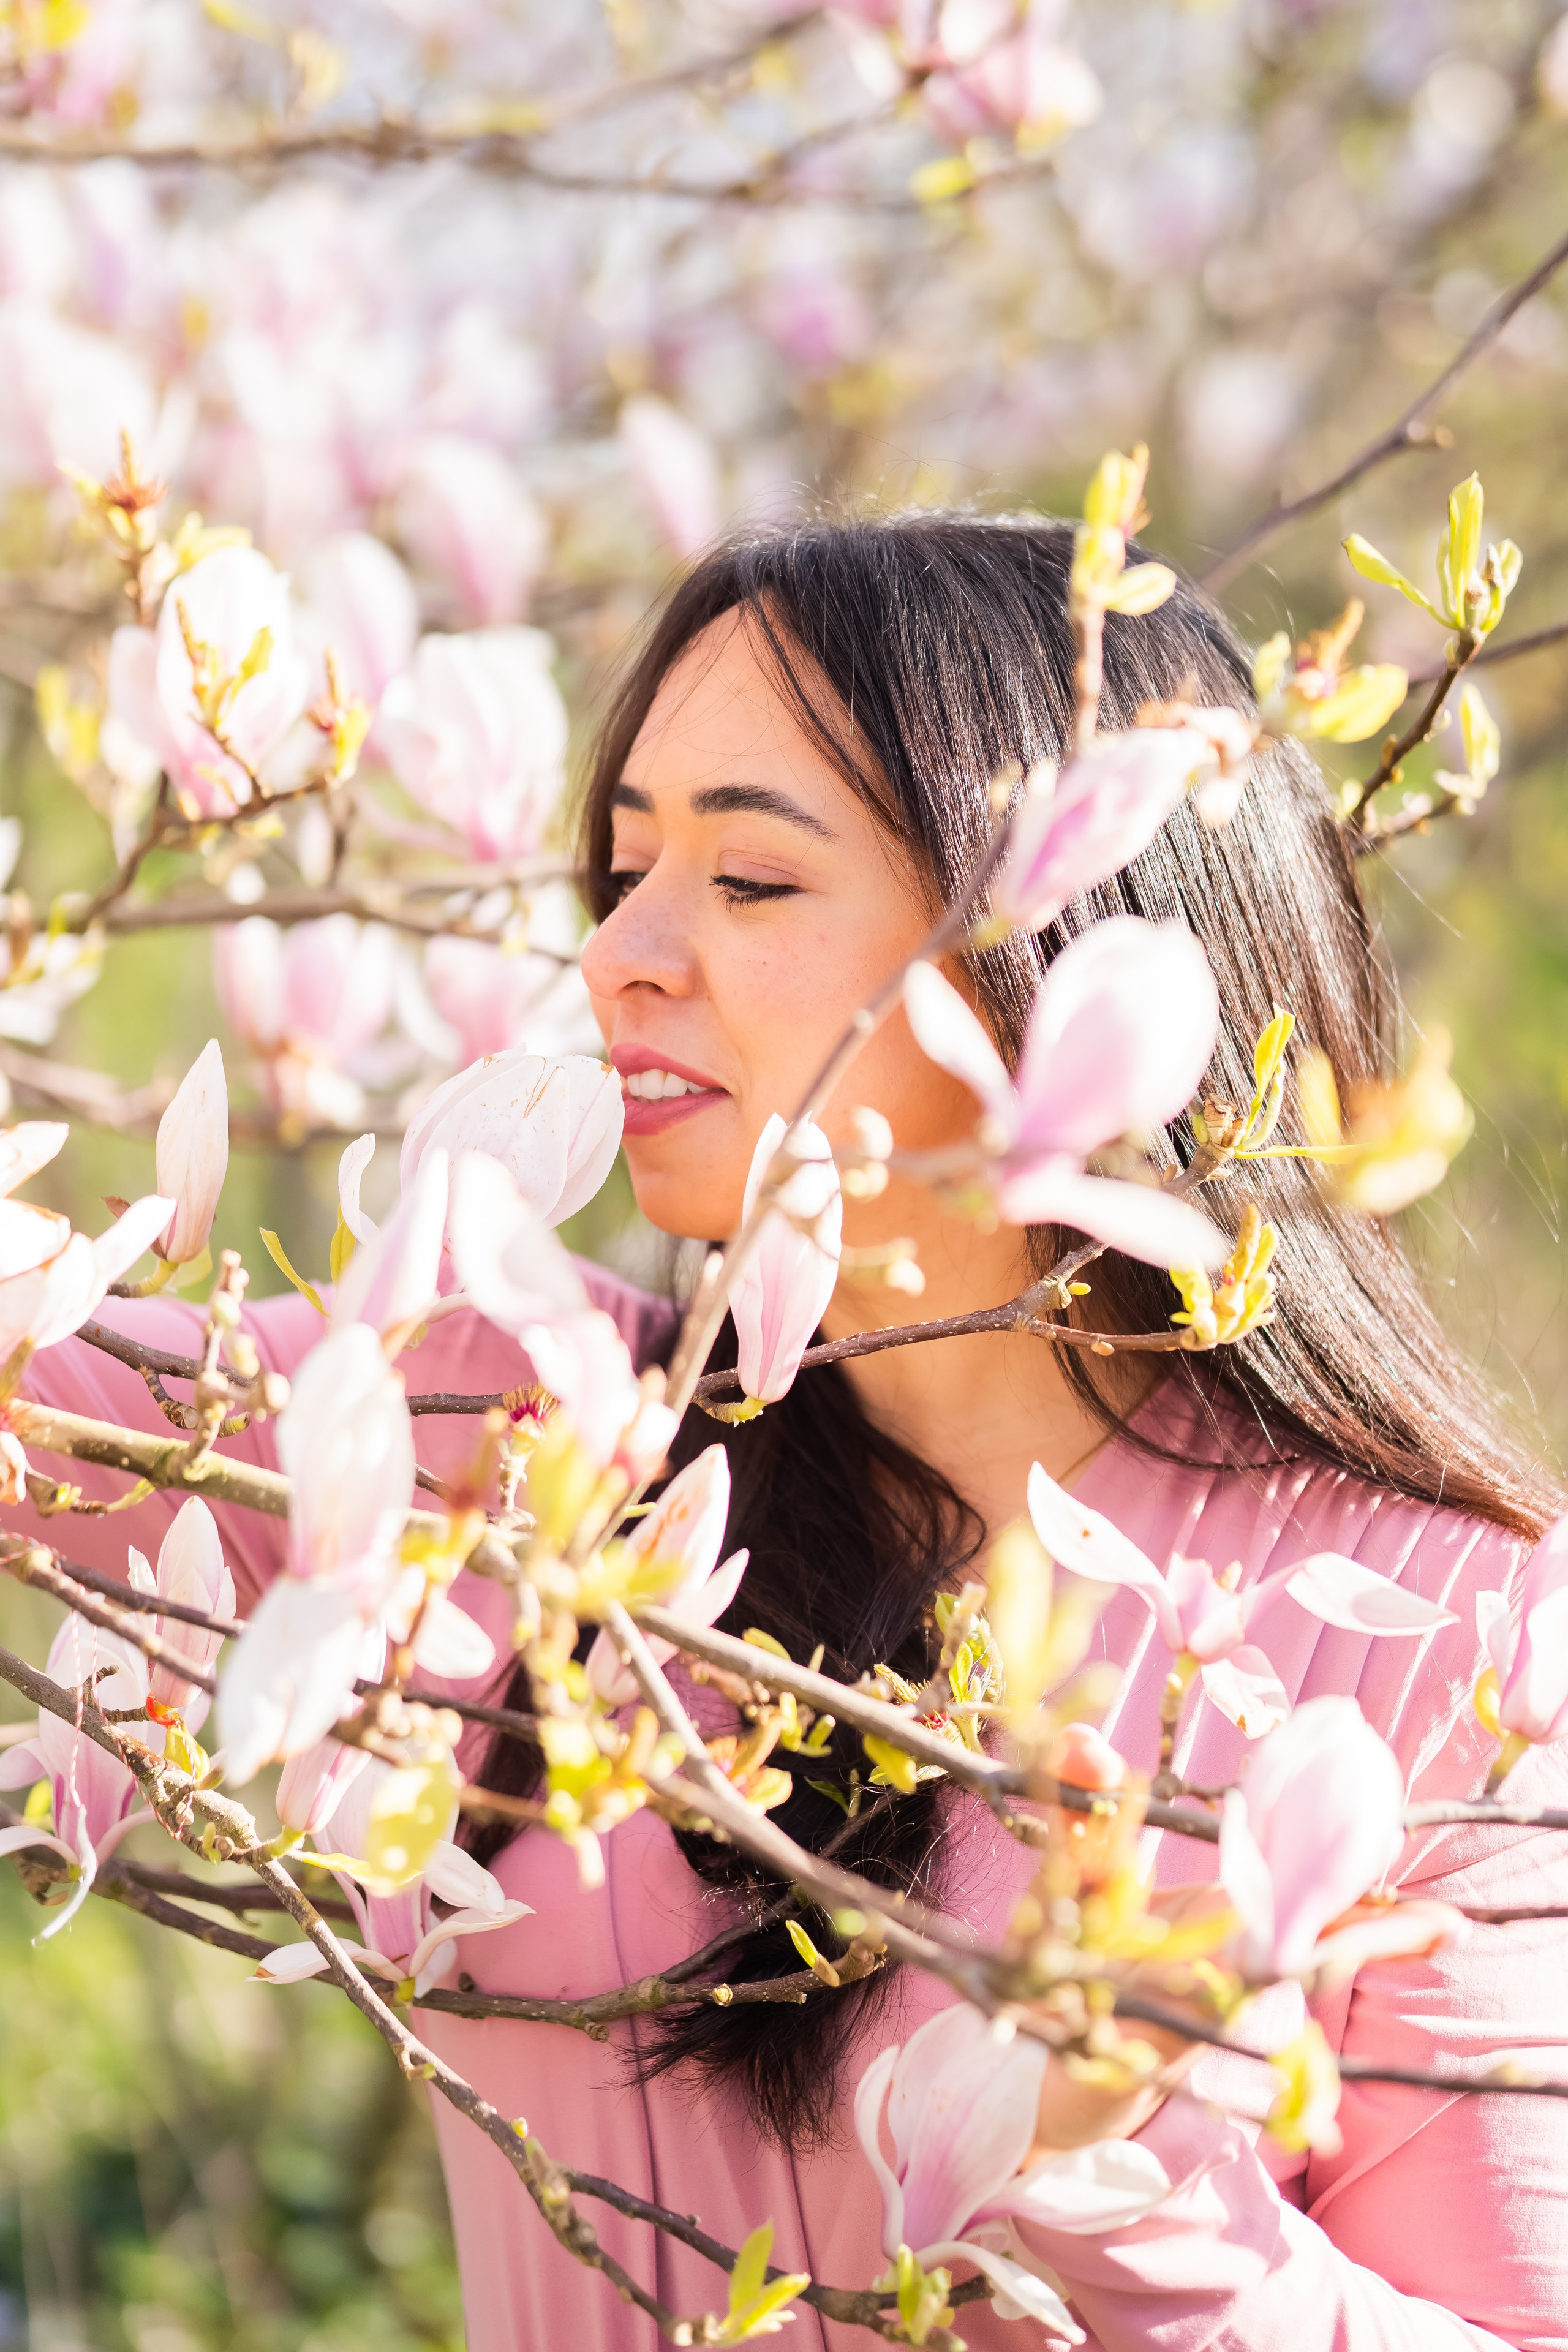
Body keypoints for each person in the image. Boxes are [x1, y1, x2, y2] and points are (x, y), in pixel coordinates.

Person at [11, 515, 1568, 2350]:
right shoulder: (527, 1428)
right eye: (620, 869)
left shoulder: (1453, 1638)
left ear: (1051, 947)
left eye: (750, 880)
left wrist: (1105, 2165)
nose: (621, 960)